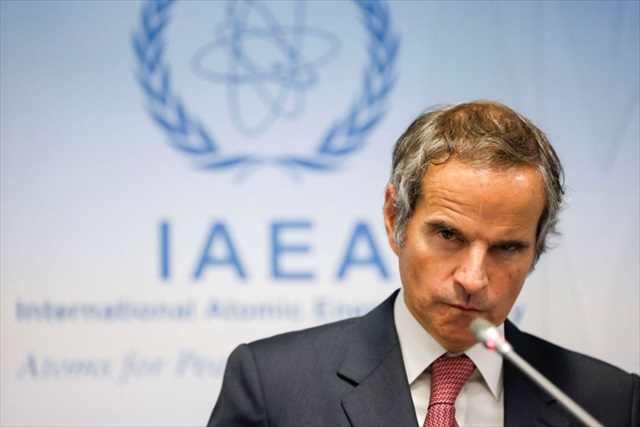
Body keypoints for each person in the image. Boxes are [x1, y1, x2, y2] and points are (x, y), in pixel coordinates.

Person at [207, 100, 639, 427]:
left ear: (537, 248)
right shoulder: (274, 385)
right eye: (448, 236)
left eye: (507, 247)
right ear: (394, 217)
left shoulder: (610, 403)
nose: (473, 279)